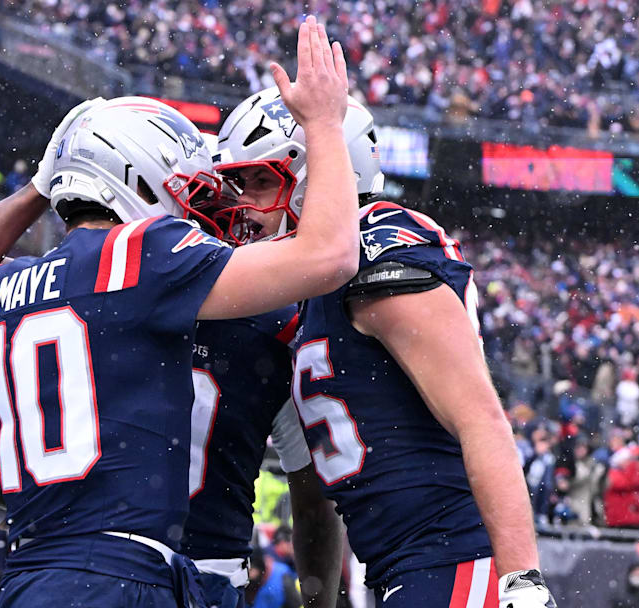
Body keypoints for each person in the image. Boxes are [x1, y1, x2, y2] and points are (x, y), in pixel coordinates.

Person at [0, 17, 357, 608]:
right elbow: (329, 254)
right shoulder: (146, 260)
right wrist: (322, 123)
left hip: (27, 573)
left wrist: (48, 178)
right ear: (142, 178)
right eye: (189, 191)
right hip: (134, 573)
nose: (196, 210)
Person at [213, 87, 556, 606]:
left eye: (261, 182)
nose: (247, 206)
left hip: (452, 560)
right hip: (404, 566)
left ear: (319, 174)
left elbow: (481, 417)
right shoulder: (313, 287)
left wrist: (520, 582)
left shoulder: (378, 255)